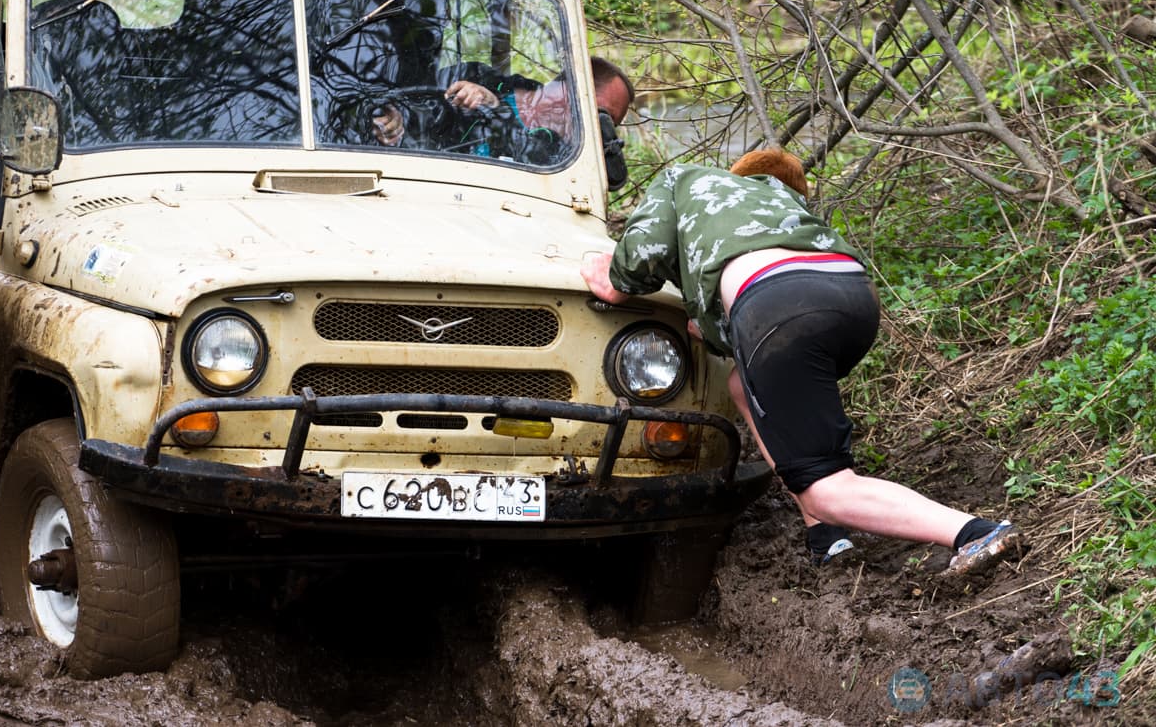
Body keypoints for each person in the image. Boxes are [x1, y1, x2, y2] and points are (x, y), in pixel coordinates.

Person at [579, 148, 1023, 575]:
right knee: (741, 384)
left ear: (735, 176)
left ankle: (974, 532)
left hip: (780, 305)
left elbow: (642, 256)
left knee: (828, 489)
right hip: (853, 296)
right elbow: (737, 330)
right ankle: (826, 535)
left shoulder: (686, 179)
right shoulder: (782, 201)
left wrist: (615, 278)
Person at [373, 57, 634, 164]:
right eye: (603, 117)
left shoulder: (564, 157)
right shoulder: (475, 75)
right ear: (575, 91)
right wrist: (399, 118)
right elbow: (416, 101)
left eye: (607, 125)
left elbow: (531, 158)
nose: (601, 129)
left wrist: (495, 109)